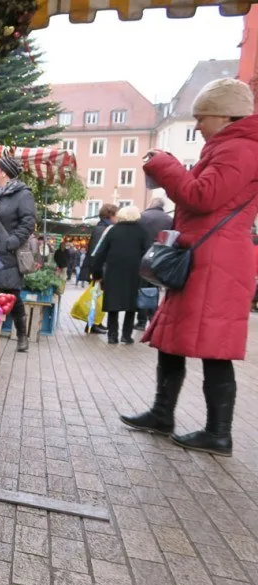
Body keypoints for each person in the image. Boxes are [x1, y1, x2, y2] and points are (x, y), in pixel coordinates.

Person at [121, 77, 258, 457]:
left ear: (224, 115)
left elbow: (202, 196)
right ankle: (162, 414)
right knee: (173, 339)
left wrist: (167, 166)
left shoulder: (240, 150)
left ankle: (218, 433)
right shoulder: (230, 147)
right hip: (204, 255)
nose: (197, 126)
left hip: (217, 259)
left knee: (215, 348)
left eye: (202, 118)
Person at [0, 155, 36, 352]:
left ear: (4, 172)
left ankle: (22, 335)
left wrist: (12, 242)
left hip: (8, 252)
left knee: (11, 293)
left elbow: (28, 222)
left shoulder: (23, 194)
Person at [91, 205, 150, 344]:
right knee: (131, 306)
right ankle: (126, 335)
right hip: (134, 273)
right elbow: (147, 253)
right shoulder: (142, 231)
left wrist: (97, 273)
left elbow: (101, 253)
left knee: (113, 304)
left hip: (113, 273)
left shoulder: (113, 231)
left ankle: (112, 336)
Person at [134, 197, 173, 329]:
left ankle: (141, 320)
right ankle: (153, 319)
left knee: (142, 288)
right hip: (162, 258)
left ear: (151, 204)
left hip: (143, 258)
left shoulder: (141, 217)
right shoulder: (169, 220)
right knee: (155, 288)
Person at [78, 204, 117, 332]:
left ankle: (96, 321)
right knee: (95, 297)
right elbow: (96, 251)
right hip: (99, 269)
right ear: (110, 215)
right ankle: (91, 325)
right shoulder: (103, 229)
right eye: (116, 215)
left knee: (99, 296)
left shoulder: (103, 227)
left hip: (100, 268)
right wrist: (97, 272)